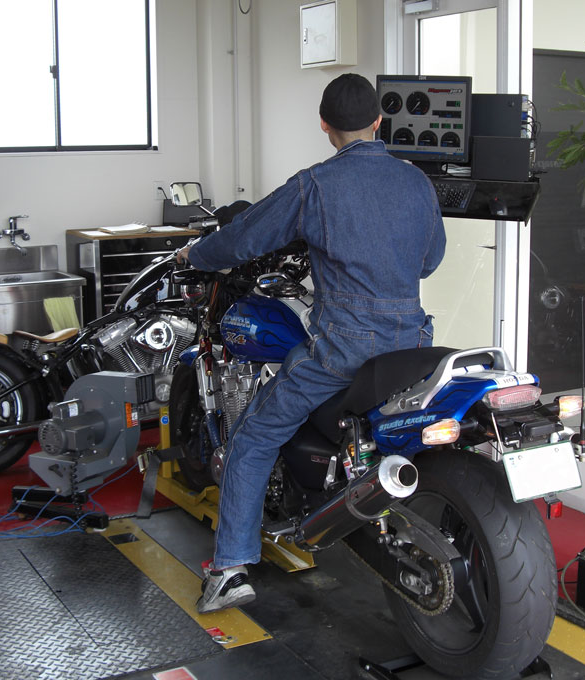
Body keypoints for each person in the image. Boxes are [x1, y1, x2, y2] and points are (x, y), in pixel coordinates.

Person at [177, 73, 446, 614]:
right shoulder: (415, 181)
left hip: (344, 348)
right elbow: (429, 260)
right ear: (378, 121)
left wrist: (195, 255)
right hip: (412, 342)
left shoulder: (315, 186)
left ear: (324, 125)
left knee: (254, 437)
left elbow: (245, 237)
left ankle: (230, 569)